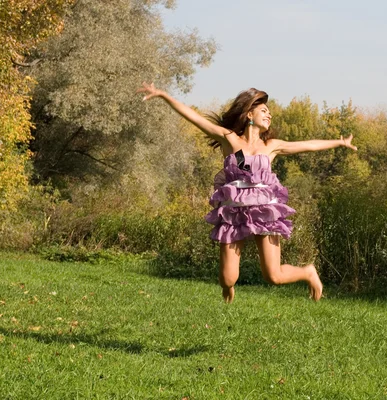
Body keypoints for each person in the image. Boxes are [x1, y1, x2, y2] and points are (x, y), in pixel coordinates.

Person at [137, 82, 357, 303]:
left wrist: (339, 142)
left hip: (265, 210)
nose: (269, 115)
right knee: (227, 278)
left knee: (274, 276)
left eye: (269, 112)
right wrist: (164, 95)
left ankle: (308, 272)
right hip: (234, 211)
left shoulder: (271, 146)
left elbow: (308, 145)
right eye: (264, 111)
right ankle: (228, 287)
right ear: (249, 113)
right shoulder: (230, 139)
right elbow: (194, 118)